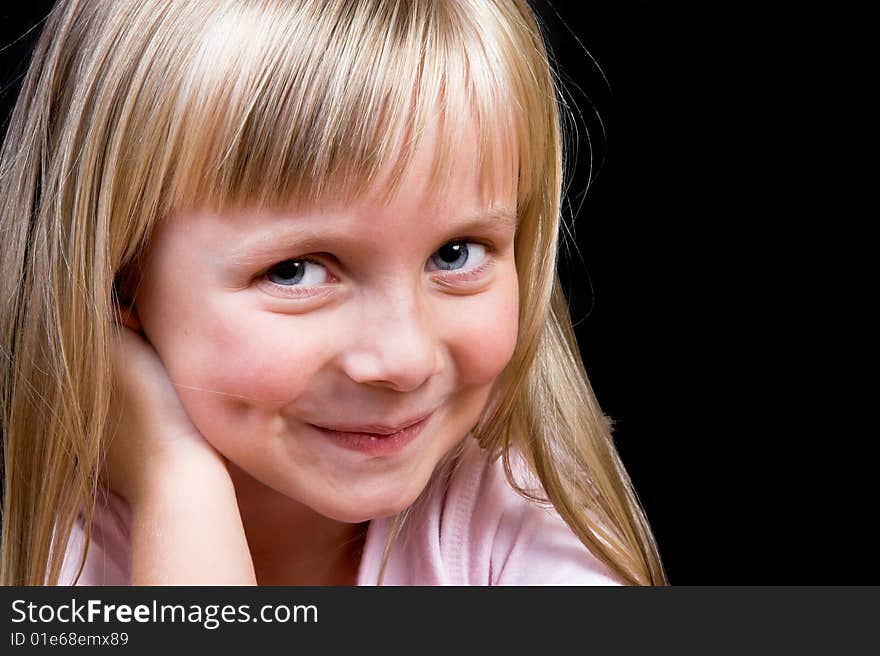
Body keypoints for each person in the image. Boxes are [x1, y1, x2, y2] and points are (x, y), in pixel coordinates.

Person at [0, 0, 666, 586]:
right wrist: (178, 487)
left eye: (454, 254)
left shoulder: (517, 514)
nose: (403, 360)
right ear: (118, 276)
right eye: (297, 270)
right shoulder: (36, 552)